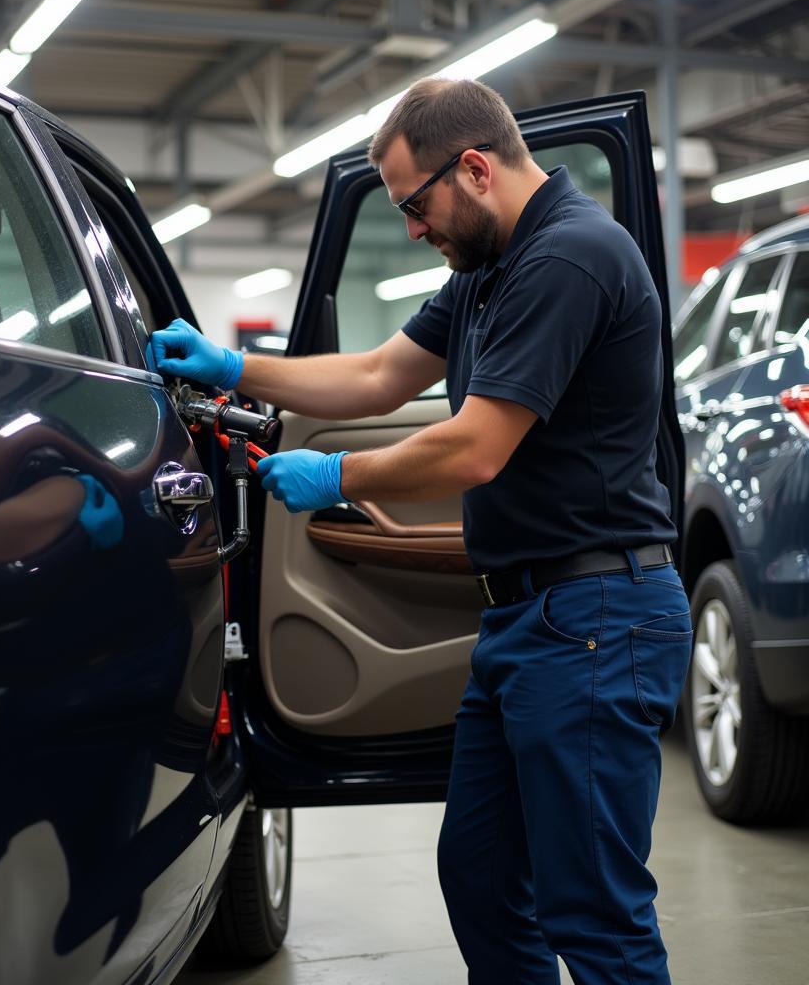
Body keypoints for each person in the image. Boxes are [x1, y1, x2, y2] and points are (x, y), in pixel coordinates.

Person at [151, 76, 692, 985]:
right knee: (481, 876)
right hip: (530, 619)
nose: (412, 228)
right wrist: (234, 365)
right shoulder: (487, 270)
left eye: (415, 204)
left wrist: (338, 475)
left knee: (593, 910)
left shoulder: (568, 257)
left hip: (598, 620)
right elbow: (375, 377)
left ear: (473, 169)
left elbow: (476, 448)